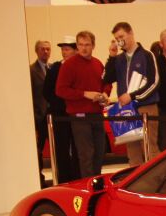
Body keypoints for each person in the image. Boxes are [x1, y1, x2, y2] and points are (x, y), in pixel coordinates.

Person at [104, 21, 160, 167]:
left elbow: (154, 82)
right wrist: (111, 56)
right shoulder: (119, 59)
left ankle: (155, 183)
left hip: (145, 108)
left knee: (149, 148)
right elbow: (106, 78)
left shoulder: (147, 55)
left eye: (121, 36)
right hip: (126, 110)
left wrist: (133, 96)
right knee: (132, 151)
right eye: (117, 39)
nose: (120, 41)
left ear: (131, 34)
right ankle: (134, 182)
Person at [55, 31, 111, 178]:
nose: (84, 48)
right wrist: (84, 94)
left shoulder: (98, 63)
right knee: (86, 154)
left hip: (97, 114)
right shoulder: (69, 65)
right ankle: (88, 187)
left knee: (99, 152)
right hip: (79, 116)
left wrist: (105, 94)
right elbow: (60, 90)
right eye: (80, 45)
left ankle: (96, 183)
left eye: (87, 45)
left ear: (93, 46)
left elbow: (106, 83)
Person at [43, 35, 80, 183]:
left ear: (75, 50)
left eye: (67, 49)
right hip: (60, 114)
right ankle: (63, 178)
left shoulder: (79, 66)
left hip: (77, 113)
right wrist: (61, 103)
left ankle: (78, 177)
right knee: (61, 147)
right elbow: (47, 91)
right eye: (63, 49)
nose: (64, 52)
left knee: (78, 146)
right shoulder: (56, 68)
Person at [30, 40, 51, 186]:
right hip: (39, 117)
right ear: (36, 51)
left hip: (53, 116)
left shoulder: (52, 68)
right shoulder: (31, 70)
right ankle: (39, 178)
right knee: (37, 150)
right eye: (42, 49)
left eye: (48, 49)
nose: (46, 52)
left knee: (57, 148)